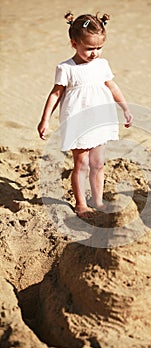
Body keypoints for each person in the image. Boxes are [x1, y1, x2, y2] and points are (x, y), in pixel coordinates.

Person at [37, 12, 133, 218]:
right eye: (89, 48)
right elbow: (55, 94)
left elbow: (112, 86)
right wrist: (45, 119)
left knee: (98, 163)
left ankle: (97, 200)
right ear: (74, 43)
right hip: (78, 119)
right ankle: (81, 203)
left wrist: (125, 108)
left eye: (99, 48)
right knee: (81, 164)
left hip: (100, 118)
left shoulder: (102, 64)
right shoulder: (66, 68)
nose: (94, 53)